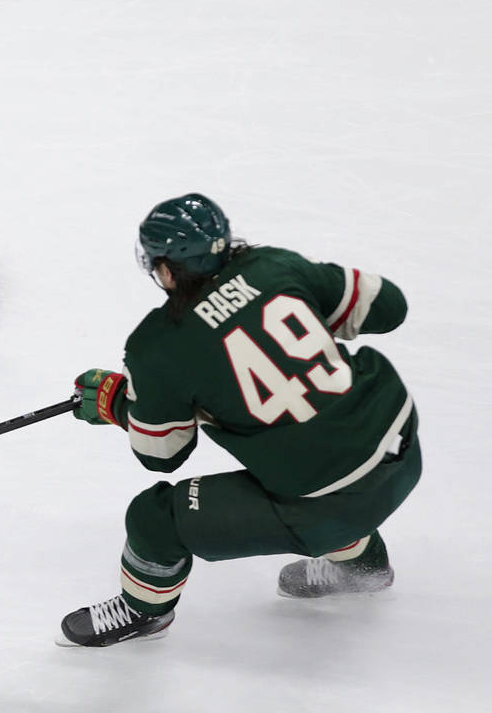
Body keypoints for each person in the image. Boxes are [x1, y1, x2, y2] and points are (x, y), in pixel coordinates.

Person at [57, 192, 421, 647]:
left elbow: (162, 454)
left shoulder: (159, 347)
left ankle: (141, 612)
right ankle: (363, 566)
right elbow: (390, 308)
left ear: (167, 269)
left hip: (329, 499)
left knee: (155, 518)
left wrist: (118, 406)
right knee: (312, 456)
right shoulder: (274, 266)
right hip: (400, 445)